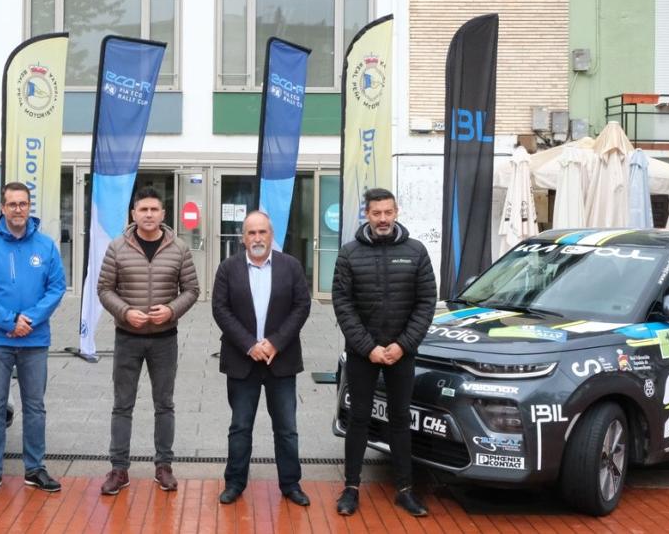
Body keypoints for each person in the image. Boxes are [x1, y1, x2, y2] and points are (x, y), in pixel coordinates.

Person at [332, 188, 437, 517]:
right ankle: (350, 488)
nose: (382, 219)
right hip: (364, 354)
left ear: (396, 212)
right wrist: (369, 348)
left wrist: (402, 345)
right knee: (359, 419)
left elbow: (426, 302)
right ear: (367, 214)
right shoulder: (349, 254)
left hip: (401, 353)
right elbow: (343, 306)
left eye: (387, 212)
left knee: (401, 420)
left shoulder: (416, 252)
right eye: (376, 213)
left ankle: (405, 489)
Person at [97, 186, 200, 495]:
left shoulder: (179, 248)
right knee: (122, 405)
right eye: (143, 210)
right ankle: (119, 469)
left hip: (164, 339)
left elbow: (192, 290)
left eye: (154, 210)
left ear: (163, 214)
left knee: (164, 404)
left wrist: (170, 310)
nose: (149, 215)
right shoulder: (117, 247)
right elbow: (104, 289)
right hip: (127, 337)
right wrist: (125, 312)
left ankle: (164, 466)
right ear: (134, 214)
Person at [0, 182, 66, 497]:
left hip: (34, 341)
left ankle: (35, 470)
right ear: (2, 207)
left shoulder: (46, 246)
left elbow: (56, 287)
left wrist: (30, 319)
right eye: (12, 204)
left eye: (23, 204)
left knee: (35, 407)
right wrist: (10, 320)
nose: (18, 209)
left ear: (29, 206)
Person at [210, 211, 311, 506]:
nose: (257, 238)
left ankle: (291, 484)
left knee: (287, 428)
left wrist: (275, 343)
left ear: (271, 235)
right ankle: (235, 482)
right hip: (243, 361)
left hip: (281, 360)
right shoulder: (228, 269)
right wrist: (250, 345)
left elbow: (301, 306)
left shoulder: (290, 266)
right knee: (240, 426)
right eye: (251, 233)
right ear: (243, 238)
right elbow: (220, 309)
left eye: (262, 232)